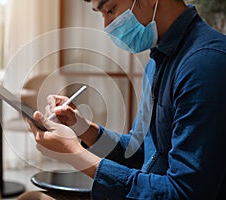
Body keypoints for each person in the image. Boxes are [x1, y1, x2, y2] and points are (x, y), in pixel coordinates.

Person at [18, 0, 226, 199]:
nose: (107, 26)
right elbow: (139, 151)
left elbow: (184, 193)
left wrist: (75, 154)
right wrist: (82, 128)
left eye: (110, 10)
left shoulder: (205, 65)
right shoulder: (158, 61)